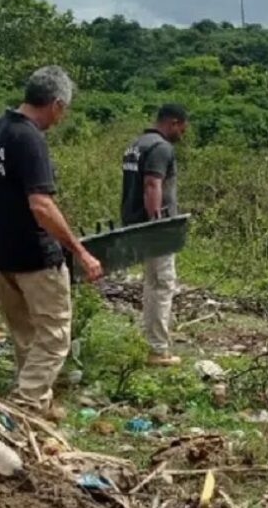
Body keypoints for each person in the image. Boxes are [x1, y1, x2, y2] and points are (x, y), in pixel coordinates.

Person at [0, 65, 102, 419]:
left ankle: (38, 397)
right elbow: (41, 205)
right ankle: (24, 408)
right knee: (53, 337)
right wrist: (79, 250)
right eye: (63, 111)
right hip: (33, 255)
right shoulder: (29, 139)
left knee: (25, 333)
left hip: (0, 252)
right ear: (57, 104)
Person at [121, 104, 189, 366]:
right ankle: (158, 349)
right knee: (163, 283)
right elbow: (152, 184)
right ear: (173, 122)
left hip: (134, 222)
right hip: (154, 228)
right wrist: (157, 223)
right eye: (181, 129)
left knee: (152, 282)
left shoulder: (135, 144)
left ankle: (151, 340)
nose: (181, 134)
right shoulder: (161, 148)